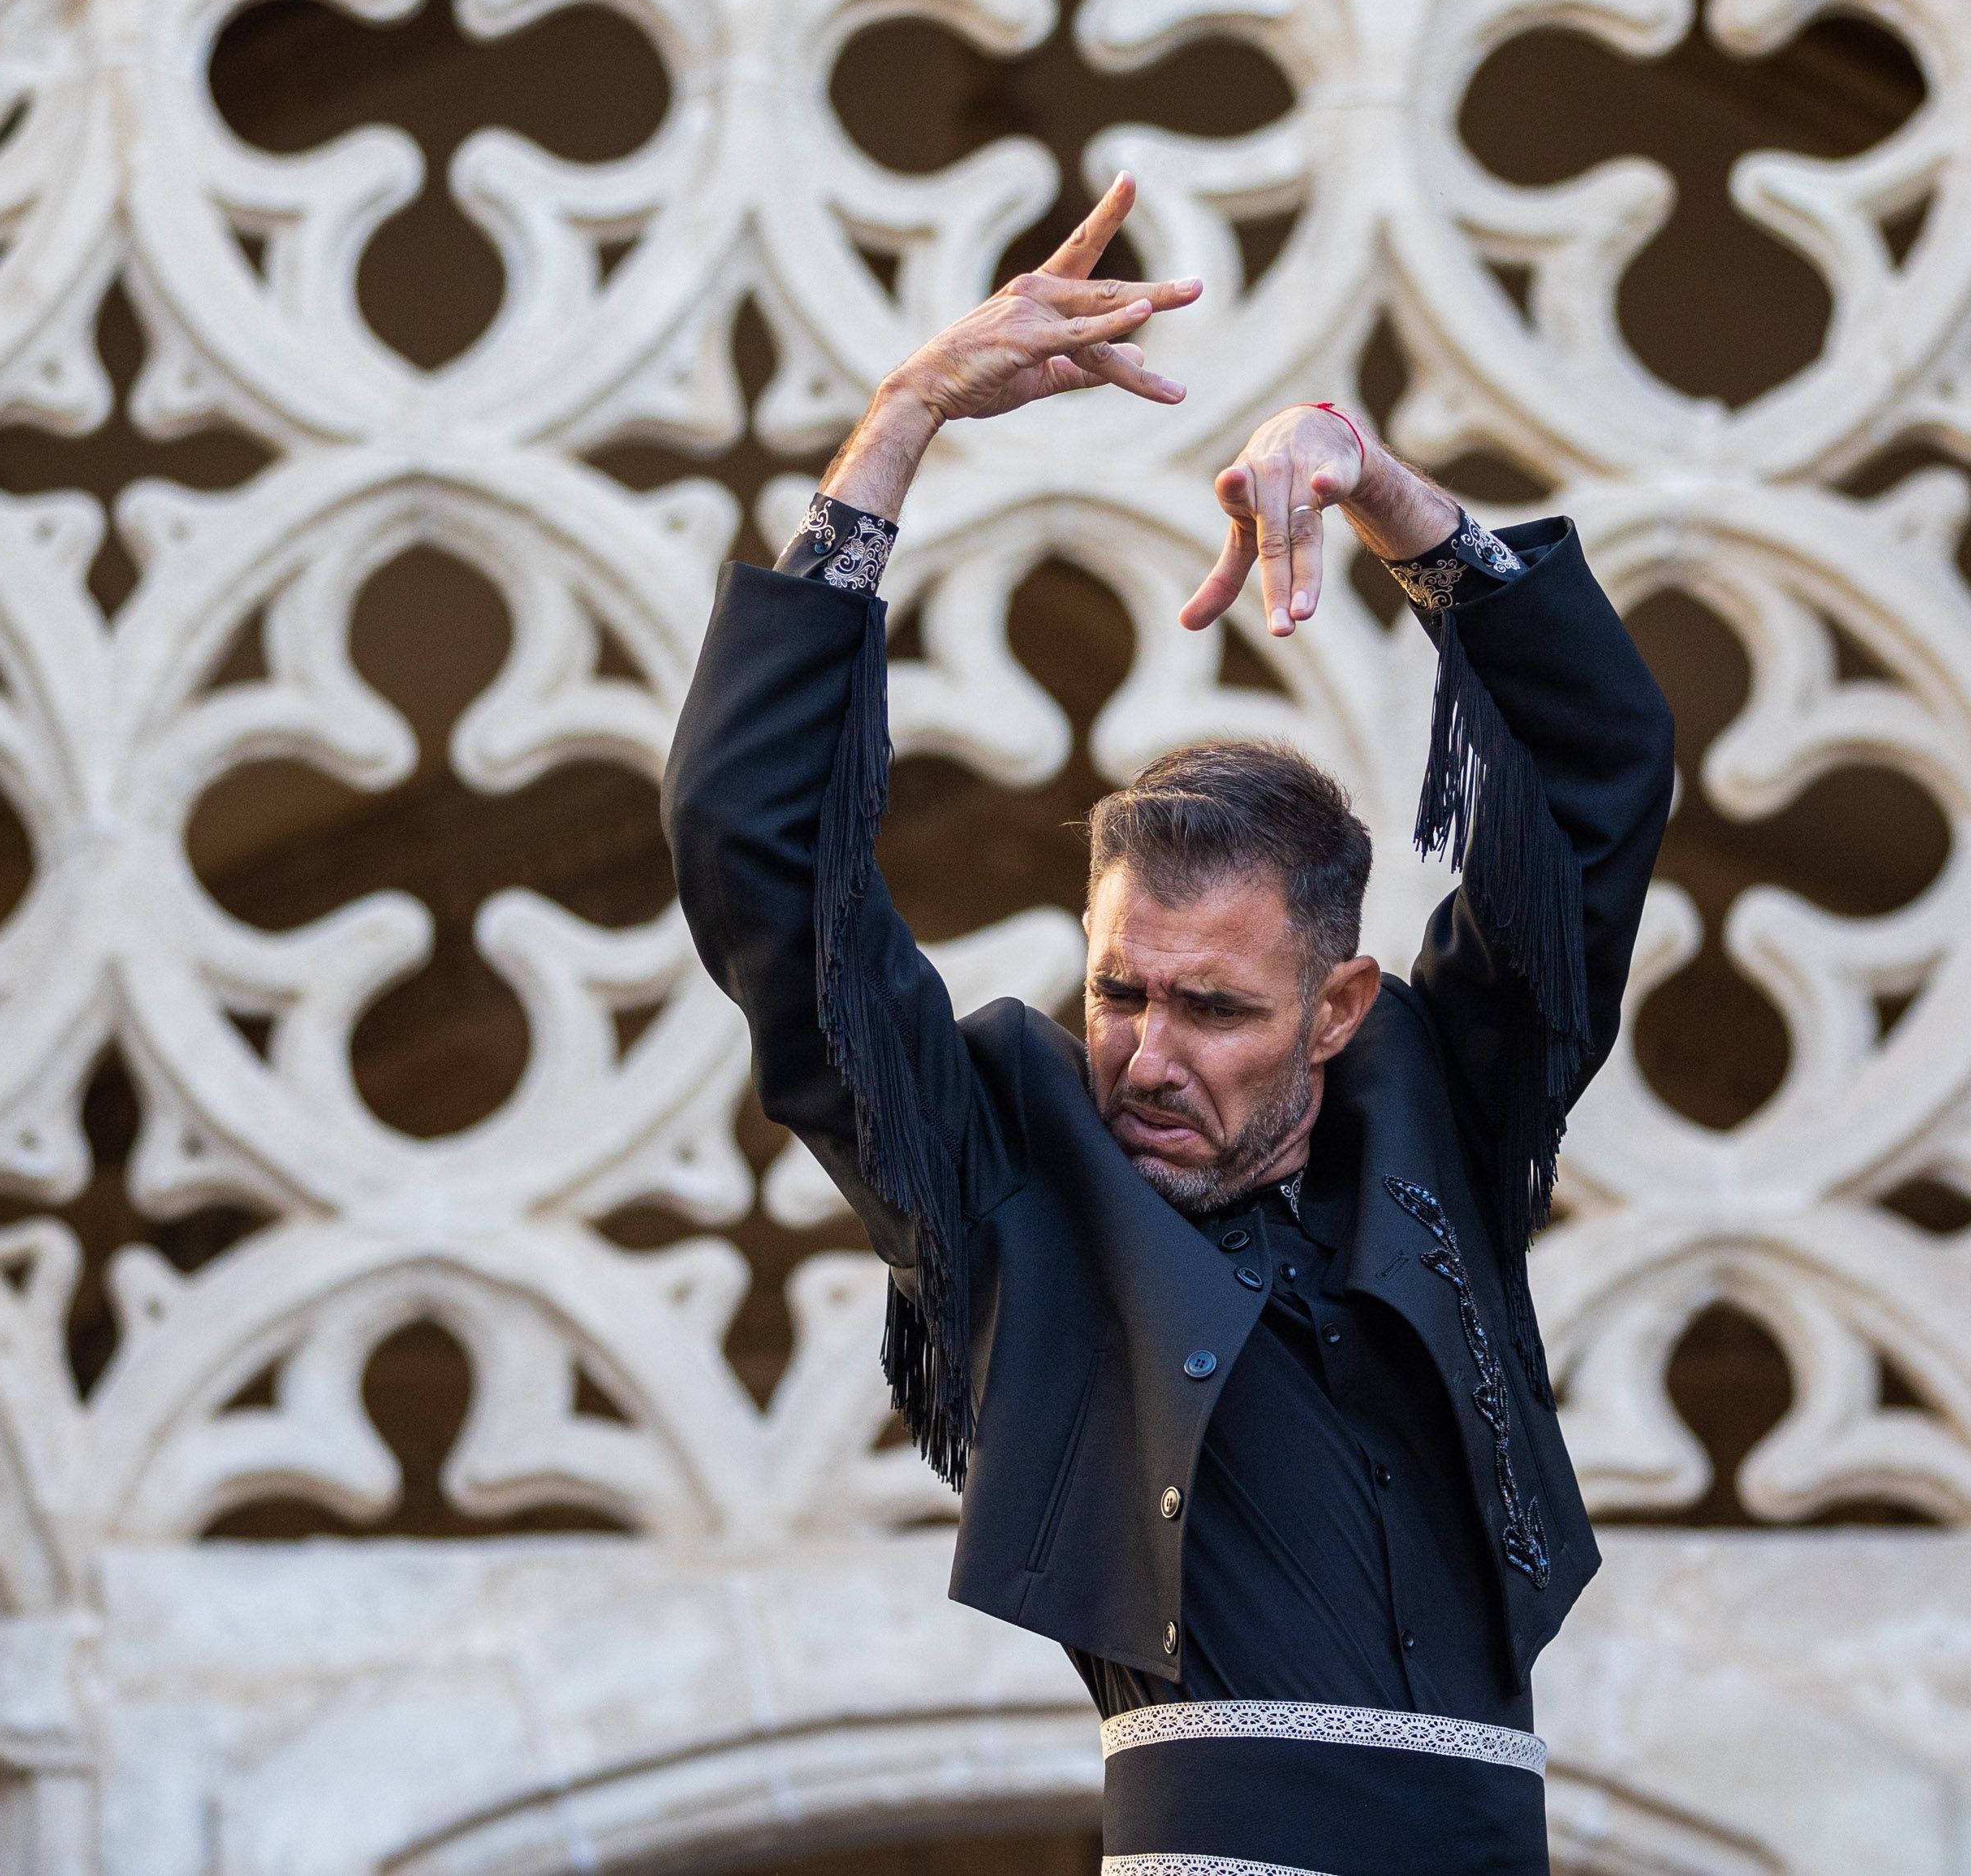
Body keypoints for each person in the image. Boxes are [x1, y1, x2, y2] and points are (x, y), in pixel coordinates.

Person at [663, 175, 1675, 1874]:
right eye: (1118, 985)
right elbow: (758, 859)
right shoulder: (1007, 1159)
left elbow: (1594, 786)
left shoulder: (1441, 1106)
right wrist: (898, 422)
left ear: (1337, 1005)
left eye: (1213, 1007)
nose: (1144, 1047)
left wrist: (1398, 506)